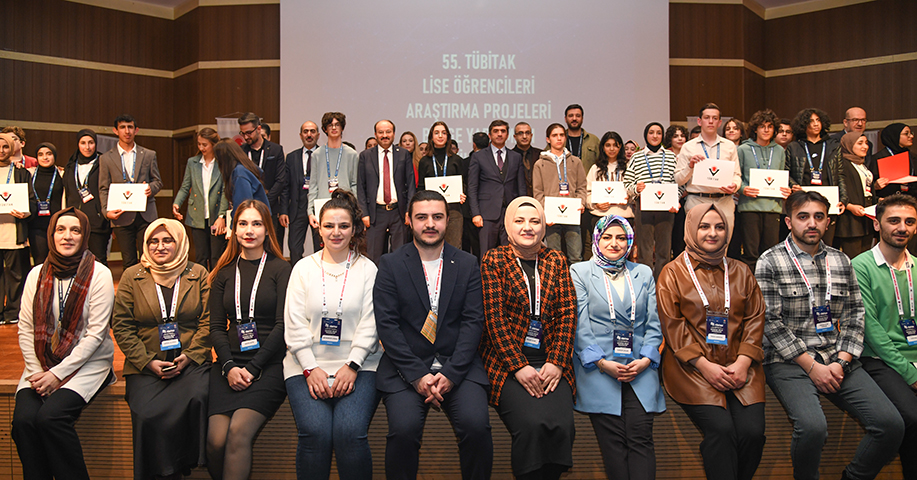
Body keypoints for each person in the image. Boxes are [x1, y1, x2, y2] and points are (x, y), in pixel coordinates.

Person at [756, 190, 903, 480]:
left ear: (828, 223)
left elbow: (855, 315)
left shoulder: (841, 260)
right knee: (813, 428)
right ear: (788, 222)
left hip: (837, 358)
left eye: (819, 217)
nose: (812, 223)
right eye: (803, 217)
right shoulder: (769, 261)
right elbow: (770, 323)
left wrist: (841, 361)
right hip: (790, 362)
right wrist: (812, 367)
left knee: (891, 424)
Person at [374, 190, 493, 479]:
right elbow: (387, 326)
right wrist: (417, 375)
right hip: (407, 368)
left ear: (447, 220)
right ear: (408, 220)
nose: (430, 224)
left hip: (458, 367)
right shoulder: (390, 264)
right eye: (422, 217)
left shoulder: (467, 263)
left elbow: (473, 322)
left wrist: (451, 374)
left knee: (477, 427)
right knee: (403, 431)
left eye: (437, 217)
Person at [657, 203, 767, 480]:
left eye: (719, 227)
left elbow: (755, 318)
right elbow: (673, 325)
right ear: (691, 229)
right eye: (704, 226)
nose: (712, 233)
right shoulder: (672, 272)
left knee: (753, 433)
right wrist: (705, 366)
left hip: (741, 366)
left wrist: (743, 363)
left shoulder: (741, 271)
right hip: (692, 368)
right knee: (721, 430)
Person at [283, 189, 381, 480]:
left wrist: (352, 366)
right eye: (329, 225)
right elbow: (294, 323)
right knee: (315, 432)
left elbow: (371, 323)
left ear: (354, 230)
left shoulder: (368, 270)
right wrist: (310, 367)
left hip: (360, 365)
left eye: (343, 226)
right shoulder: (302, 268)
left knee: (349, 432)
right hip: (305, 364)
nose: (336, 232)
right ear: (318, 227)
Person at [12, 207, 115, 480]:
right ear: (51, 234)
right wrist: (37, 372)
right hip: (40, 363)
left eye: (75, 230)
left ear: (84, 236)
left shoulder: (100, 274)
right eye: (61, 230)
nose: (67, 236)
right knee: (23, 422)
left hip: (87, 364)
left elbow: (95, 334)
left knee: (51, 419)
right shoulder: (36, 274)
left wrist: (57, 375)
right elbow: (25, 327)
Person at [480, 197, 576, 479]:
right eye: (520, 221)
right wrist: (519, 366)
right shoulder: (494, 260)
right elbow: (493, 320)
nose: (528, 227)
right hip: (506, 362)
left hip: (550, 361)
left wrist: (557, 362)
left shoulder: (557, 260)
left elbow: (567, 315)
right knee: (533, 424)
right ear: (509, 225)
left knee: (562, 426)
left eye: (535, 221)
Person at [111, 218, 211, 480]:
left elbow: (209, 321)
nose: (160, 246)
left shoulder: (197, 273)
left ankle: (182, 465)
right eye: (153, 241)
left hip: (190, 362)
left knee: (198, 396)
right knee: (145, 413)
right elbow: (121, 326)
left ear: (179, 242)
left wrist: (190, 356)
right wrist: (146, 362)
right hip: (146, 366)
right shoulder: (132, 276)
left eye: (167, 240)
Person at [572, 215, 665, 480]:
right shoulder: (579, 272)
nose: (614, 243)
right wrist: (601, 363)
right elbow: (580, 324)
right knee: (613, 444)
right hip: (598, 368)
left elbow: (654, 323)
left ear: (630, 241)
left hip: (639, 368)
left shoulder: (643, 272)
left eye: (621, 237)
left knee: (641, 436)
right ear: (596, 239)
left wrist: (647, 359)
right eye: (607, 237)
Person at [207, 199, 291, 480]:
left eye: (257, 223)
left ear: (267, 230)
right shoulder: (223, 273)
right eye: (243, 223)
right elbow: (217, 326)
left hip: (268, 365)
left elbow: (282, 327)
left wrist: (254, 368)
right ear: (234, 229)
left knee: (238, 433)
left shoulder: (282, 269)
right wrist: (229, 366)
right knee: (216, 440)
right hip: (229, 365)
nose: (249, 230)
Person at [852, 194, 917, 480]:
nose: (902, 227)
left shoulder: (916, 266)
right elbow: (872, 330)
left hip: (914, 356)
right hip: (879, 359)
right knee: (912, 418)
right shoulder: (860, 266)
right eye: (894, 221)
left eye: (909, 222)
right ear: (877, 225)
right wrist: (910, 374)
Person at [99, 114, 162, 268]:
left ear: (136, 130)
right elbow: (103, 188)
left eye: (130, 127)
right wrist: (106, 211)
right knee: (128, 261)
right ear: (115, 131)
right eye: (122, 127)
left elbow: (158, 182)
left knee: (148, 258)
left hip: (145, 214)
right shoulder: (106, 158)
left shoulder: (148, 154)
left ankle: (149, 291)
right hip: (121, 215)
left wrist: (150, 188)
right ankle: (132, 291)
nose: (127, 131)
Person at [737, 109, 789, 270]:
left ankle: (768, 288)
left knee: (770, 253)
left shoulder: (780, 151)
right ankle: (750, 289)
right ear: (755, 129)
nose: (766, 130)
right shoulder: (743, 149)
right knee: (751, 253)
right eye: (762, 126)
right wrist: (743, 189)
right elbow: (735, 176)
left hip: (773, 207)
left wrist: (784, 189)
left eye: (770, 126)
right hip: (749, 207)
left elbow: (781, 175)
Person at [626, 122, 680, 279]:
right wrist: (637, 188)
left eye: (658, 133)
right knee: (645, 250)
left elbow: (679, 181)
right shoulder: (637, 156)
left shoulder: (671, 156)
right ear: (645, 135)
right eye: (651, 132)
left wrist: (675, 198)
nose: (655, 136)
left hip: (667, 209)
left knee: (664, 249)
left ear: (662, 136)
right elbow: (627, 182)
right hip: (644, 207)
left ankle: (663, 284)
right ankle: (646, 283)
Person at [785, 108, 846, 245]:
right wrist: (793, 185)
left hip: (828, 197)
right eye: (811, 121)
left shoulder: (833, 146)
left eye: (818, 120)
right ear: (804, 124)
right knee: (804, 239)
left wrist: (843, 199)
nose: (816, 124)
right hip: (802, 198)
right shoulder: (794, 147)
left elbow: (840, 174)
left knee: (826, 241)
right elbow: (786, 172)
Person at [676, 104, 742, 229]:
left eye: (714, 118)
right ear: (699, 121)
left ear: (719, 122)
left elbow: (736, 175)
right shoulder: (688, 147)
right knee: (696, 244)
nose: (711, 121)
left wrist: (735, 185)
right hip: (697, 200)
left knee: (723, 244)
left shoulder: (729, 146)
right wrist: (690, 166)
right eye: (707, 117)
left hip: (724, 201)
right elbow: (679, 180)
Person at [357, 119, 416, 261]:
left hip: (399, 213)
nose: (385, 135)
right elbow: (361, 186)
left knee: (400, 256)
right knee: (373, 256)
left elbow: (411, 184)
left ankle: (399, 283)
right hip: (375, 213)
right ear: (375, 134)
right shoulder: (365, 156)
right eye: (381, 132)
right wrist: (364, 213)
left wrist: (409, 210)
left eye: (388, 132)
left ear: (394, 134)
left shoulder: (403, 154)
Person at [172, 128, 229, 270]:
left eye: (205, 144)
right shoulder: (193, 162)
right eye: (199, 144)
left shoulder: (221, 163)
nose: (201, 148)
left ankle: (215, 287)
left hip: (216, 216)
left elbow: (224, 191)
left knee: (216, 256)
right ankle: (201, 286)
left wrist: (221, 215)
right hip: (197, 215)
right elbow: (185, 186)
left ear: (214, 145)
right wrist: (177, 203)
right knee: (201, 256)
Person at [468, 119, 526, 254]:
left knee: (511, 254)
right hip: (486, 214)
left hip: (511, 213)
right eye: (496, 131)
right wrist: (475, 213)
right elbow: (472, 187)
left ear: (507, 135)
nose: (499, 134)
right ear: (489, 135)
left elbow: (521, 187)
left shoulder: (516, 157)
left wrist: (522, 212)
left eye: (503, 131)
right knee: (487, 254)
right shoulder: (479, 157)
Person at [534, 123, 588, 263]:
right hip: (551, 216)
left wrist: (581, 203)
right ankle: (555, 284)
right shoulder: (540, 164)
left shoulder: (575, 161)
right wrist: (545, 212)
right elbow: (538, 192)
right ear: (548, 139)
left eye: (561, 135)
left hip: (572, 214)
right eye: (554, 135)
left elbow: (582, 186)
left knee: (576, 255)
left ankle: (575, 285)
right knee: (553, 256)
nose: (558, 138)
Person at [0, 133, 36, 324]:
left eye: (5, 147)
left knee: (16, 275)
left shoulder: (21, 172)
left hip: (14, 232)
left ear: (11, 148)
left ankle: (13, 312)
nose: (1, 151)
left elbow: (31, 201)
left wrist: (26, 212)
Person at [238, 113, 288, 246]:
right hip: (247, 209)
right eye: (242, 133)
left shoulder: (275, 150)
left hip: (270, 207)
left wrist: (264, 201)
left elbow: (280, 180)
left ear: (258, 129)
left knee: (272, 245)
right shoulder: (241, 152)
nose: (246, 137)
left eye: (249, 132)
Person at [63, 129, 111, 265]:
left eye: (91, 143)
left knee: (98, 260)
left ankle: (101, 286)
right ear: (78, 144)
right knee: (75, 259)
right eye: (83, 143)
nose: (87, 147)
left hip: (97, 221)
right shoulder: (71, 166)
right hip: (75, 221)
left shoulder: (103, 162)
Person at [308, 113, 359, 237]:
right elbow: (313, 185)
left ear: (342, 128)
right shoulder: (316, 155)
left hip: (346, 206)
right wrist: (310, 211)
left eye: (337, 125)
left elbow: (355, 184)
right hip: (322, 207)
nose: (334, 128)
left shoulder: (352, 154)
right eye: (330, 125)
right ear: (325, 129)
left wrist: (354, 208)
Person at [416, 121, 464, 248]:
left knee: (454, 246)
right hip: (431, 211)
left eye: (443, 133)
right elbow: (421, 187)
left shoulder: (457, 160)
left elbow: (464, 183)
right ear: (431, 137)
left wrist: (463, 194)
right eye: (436, 133)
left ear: (448, 137)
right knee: (432, 246)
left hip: (453, 210)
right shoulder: (424, 161)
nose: (440, 136)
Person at [282, 121, 322, 264]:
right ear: (300, 135)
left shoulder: (324, 155)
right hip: (297, 209)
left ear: (318, 135)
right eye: (305, 131)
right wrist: (284, 211)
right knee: (295, 247)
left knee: (320, 247)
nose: (309, 134)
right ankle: (296, 277)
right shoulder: (292, 157)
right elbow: (285, 187)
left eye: (312, 131)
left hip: (318, 209)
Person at [834, 132, 876, 258]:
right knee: (854, 258)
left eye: (866, 143)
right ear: (849, 145)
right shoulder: (842, 164)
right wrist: (850, 206)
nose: (865, 146)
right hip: (850, 218)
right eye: (860, 143)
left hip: (866, 214)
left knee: (866, 256)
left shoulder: (862, 164)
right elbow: (838, 189)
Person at [28, 142, 65, 266]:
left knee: (58, 261)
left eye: (49, 154)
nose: (45, 157)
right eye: (41, 154)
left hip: (57, 226)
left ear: (54, 156)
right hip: (36, 226)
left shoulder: (62, 174)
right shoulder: (29, 174)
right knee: (40, 262)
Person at [587, 131, 633, 228]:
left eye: (615, 145)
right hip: (600, 215)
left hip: (624, 214)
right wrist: (596, 204)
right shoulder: (595, 168)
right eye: (608, 145)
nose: (612, 149)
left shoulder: (628, 167)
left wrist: (629, 197)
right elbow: (587, 193)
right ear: (603, 148)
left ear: (620, 147)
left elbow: (635, 190)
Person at [214, 139, 269, 221]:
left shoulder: (239, 174)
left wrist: (234, 227)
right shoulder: (244, 169)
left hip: (252, 222)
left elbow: (243, 207)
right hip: (258, 219)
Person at [461, 132, 489, 258]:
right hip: (489, 208)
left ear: (473, 144)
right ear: (489, 144)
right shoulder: (493, 162)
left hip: (469, 210)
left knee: (469, 246)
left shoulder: (465, 162)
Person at [871, 123, 916, 202]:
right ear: (895, 136)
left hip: (911, 201)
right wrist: (875, 186)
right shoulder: (878, 158)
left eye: (911, 133)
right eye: (906, 134)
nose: (911, 136)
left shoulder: (913, 157)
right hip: (888, 202)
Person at [666, 125, 690, 258]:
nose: (680, 139)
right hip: (668, 201)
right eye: (676, 136)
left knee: (682, 237)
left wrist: (685, 191)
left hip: (688, 199)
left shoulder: (690, 154)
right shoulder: (664, 155)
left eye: (682, 136)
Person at [512, 121, 541, 196]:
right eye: (520, 133)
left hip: (538, 199)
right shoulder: (509, 156)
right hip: (517, 200)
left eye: (527, 133)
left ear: (531, 135)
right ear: (515, 137)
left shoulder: (540, 154)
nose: (524, 136)